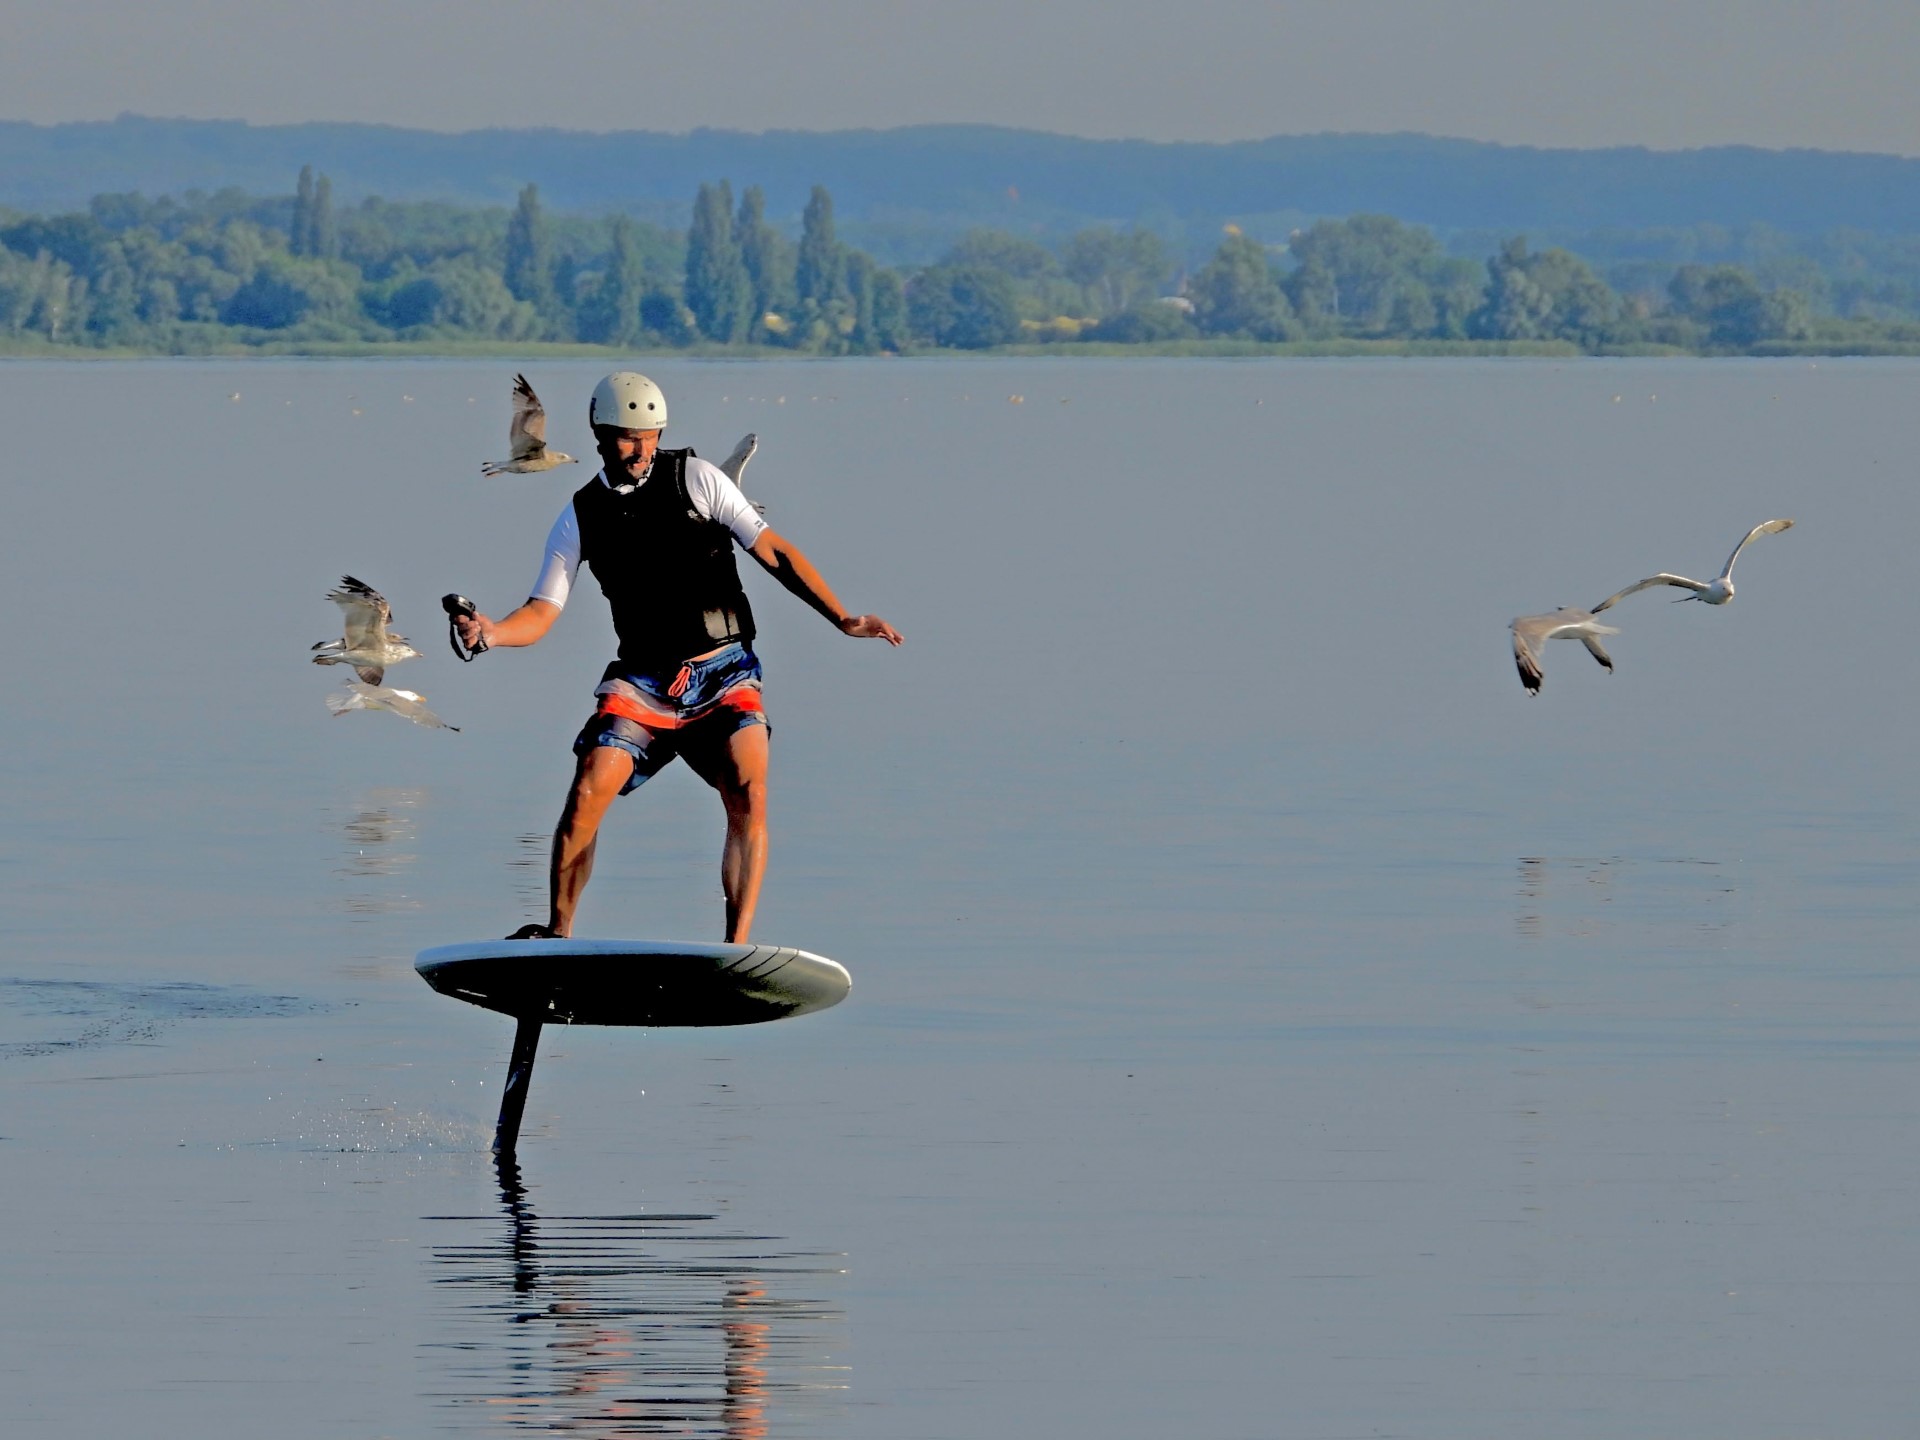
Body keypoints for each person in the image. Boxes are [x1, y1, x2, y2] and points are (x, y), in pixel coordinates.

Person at [455, 372, 902, 943]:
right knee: (589, 785)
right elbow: (542, 611)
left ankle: (735, 947)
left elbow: (775, 552)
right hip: (643, 680)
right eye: (625, 437)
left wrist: (842, 617)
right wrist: (492, 632)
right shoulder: (581, 514)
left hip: (723, 671)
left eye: (649, 435)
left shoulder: (697, 478)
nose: (640, 448)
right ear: (599, 434)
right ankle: (557, 936)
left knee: (749, 782)